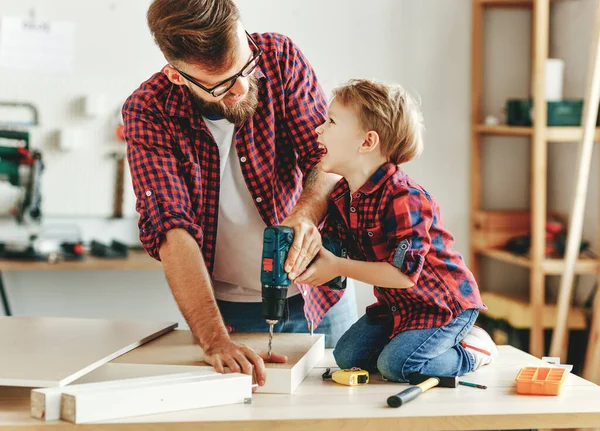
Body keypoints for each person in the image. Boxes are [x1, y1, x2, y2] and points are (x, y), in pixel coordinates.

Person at [122, 0, 357, 387]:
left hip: (320, 290)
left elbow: (329, 159)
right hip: (227, 310)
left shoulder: (279, 58)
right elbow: (171, 230)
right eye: (221, 84)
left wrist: (305, 212)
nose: (244, 87)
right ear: (177, 76)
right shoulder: (149, 111)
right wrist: (214, 339)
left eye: (246, 66)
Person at [295, 79, 498, 382]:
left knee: (397, 366)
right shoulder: (340, 198)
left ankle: (472, 349)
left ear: (366, 142)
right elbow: (333, 251)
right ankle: (412, 344)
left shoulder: (405, 198)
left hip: (444, 306)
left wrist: (336, 266)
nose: (318, 129)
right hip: (398, 307)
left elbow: (402, 276)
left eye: (331, 121)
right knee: (346, 356)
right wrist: (304, 259)